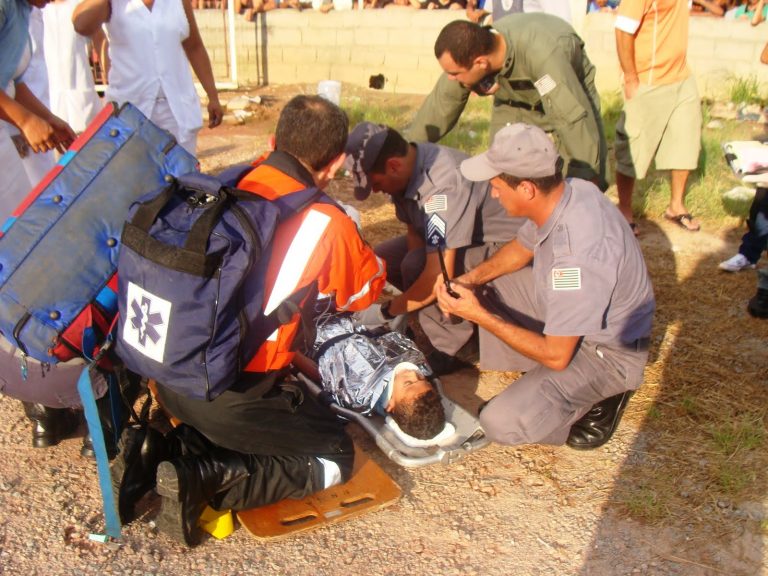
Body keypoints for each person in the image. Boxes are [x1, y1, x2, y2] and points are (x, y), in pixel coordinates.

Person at [127, 95, 388, 547]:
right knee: (335, 454)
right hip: (229, 396)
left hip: (169, 377)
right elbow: (364, 293)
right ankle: (203, 478)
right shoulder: (328, 222)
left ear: (272, 142)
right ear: (337, 163)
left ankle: (152, 452)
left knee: (255, 419)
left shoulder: (230, 182)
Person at [433, 123, 655, 450]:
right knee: (480, 280)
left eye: (496, 186)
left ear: (526, 189)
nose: (493, 194)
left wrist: (478, 314)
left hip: (606, 352)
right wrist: (469, 281)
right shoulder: (571, 190)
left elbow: (556, 355)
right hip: (575, 313)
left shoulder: (576, 256)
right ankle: (540, 379)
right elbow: (522, 248)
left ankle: (597, 402)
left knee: (500, 421)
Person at [346, 121, 523, 375]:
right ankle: (431, 316)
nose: (374, 189)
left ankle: (455, 347)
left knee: (420, 266)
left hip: (501, 245)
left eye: (375, 182)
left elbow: (437, 275)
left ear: (393, 165)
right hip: (460, 236)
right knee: (386, 260)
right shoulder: (404, 169)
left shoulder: (442, 187)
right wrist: (410, 300)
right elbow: (415, 230)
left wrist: (387, 310)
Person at [406, 17, 607, 189]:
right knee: (501, 170)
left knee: (576, 176)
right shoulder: (471, 53)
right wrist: (405, 151)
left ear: (481, 63)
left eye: (454, 74)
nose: (450, 78)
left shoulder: (543, 55)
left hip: (564, 85)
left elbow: (572, 120)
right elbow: (442, 103)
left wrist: (585, 182)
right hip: (513, 96)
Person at [72, 0, 223, 155]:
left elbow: (194, 46)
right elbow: (81, 25)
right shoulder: (113, 4)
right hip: (131, 110)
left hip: (177, 110)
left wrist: (213, 96)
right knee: (135, 176)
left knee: (182, 175)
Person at [614, 0, 703, 234]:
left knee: (686, 142)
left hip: (682, 76)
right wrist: (631, 76)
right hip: (648, 80)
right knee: (634, 146)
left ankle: (676, 206)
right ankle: (624, 210)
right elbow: (622, 30)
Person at [313, 313, 445, 439]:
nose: (413, 373)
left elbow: (323, 366)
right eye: (422, 379)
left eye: (408, 383)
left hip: (320, 328)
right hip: (359, 319)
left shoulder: (358, 395)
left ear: (390, 405)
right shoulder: (416, 365)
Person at [42, 0, 105, 133]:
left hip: (82, 101)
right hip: (48, 102)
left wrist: (110, 88)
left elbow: (101, 43)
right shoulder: (36, 10)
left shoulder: (81, 6)